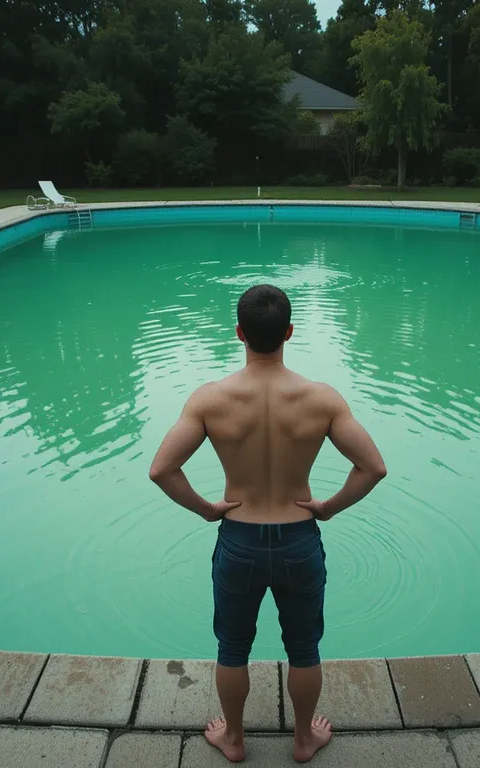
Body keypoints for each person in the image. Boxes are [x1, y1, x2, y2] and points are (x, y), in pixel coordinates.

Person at [148, 284, 388, 763]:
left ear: (239, 332)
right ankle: (303, 740)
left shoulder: (210, 400)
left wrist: (206, 509)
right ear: (290, 333)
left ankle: (234, 740)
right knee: (304, 648)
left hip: (238, 540)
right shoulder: (321, 399)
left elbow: (161, 470)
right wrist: (329, 507)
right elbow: (373, 468)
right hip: (300, 539)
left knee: (232, 647)